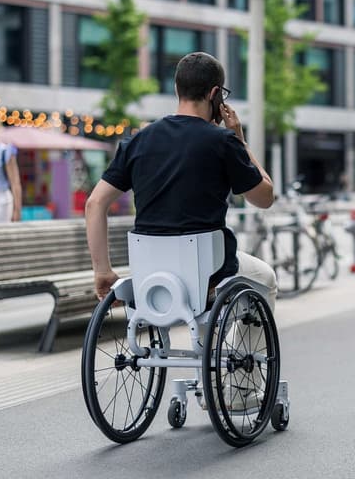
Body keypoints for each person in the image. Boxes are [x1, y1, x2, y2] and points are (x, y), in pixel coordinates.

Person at [85, 52, 277, 410]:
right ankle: (235, 388)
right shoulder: (222, 143)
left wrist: (102, 270)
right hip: (207, 276)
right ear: (216, 95)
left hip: (151, 278)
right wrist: (240, 138)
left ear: (176, 88)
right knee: (264, 278)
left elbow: (95, 204)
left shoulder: (139, 141)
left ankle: (211, 367)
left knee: (209, 280)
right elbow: (265, 197)